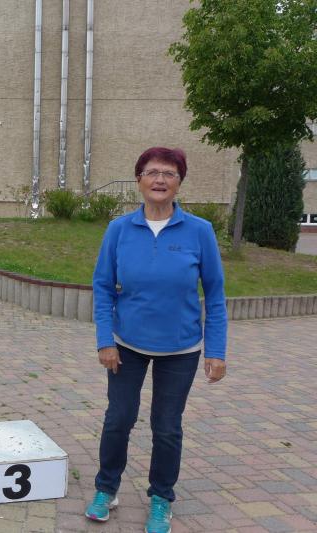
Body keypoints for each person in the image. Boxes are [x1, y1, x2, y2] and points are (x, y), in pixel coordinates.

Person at [85, 147, 227, 533]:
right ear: (139, 180)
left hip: (181, 349)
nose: (160, 179)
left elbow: (215, 294)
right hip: (126, 345)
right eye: (152, 172)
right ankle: (106, 488)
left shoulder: (199, 231)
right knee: (119, 418)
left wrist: (215, 350)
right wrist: (105, 340)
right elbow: (102, 286)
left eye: (169, 173)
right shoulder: (119, 230)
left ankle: (161, 498)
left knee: (166, 426)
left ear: (179, 182)